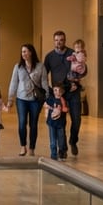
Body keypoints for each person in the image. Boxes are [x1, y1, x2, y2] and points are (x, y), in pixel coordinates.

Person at [43, 30, 82, 158]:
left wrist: (77, 82)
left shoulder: (72, 54)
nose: (59, 42)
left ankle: (73, 141)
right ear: (54, 41)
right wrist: (49, 90)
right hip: (60, 94)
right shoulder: (49, 57)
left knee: (76, 120)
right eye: (56, 40)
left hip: (73, 92)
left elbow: (80, 70)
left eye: (61, 40)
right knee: (61, 123)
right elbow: (44, 75)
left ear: (65, 40)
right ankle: (63, 150)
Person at [6, 43, 48, 157]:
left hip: (35, 100)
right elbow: (13, 83)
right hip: (21, 99)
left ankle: (32, 148)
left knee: (33, 124)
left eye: (25, 51)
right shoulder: (18, 67)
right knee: (22, 123)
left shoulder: (40, 66)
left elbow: (44, 83)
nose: (23, 54)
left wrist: (46, 99)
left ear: (31, 52)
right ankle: (23, 146)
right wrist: (10, 99)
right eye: (22, 52)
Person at [44, 83, 69, 160]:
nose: (57, 92)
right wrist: (47, 107)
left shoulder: (63, 100)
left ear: (62, 92)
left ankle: (61, 152)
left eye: (59, 91)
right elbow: (45, 104)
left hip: (60, 124)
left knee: (61, 140)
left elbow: (66, 109)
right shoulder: (51, 99)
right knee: (52, 141)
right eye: (55, 90)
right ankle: (53, 155)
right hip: (51, 123)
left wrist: (61, 109)